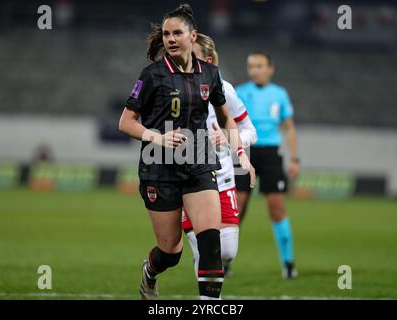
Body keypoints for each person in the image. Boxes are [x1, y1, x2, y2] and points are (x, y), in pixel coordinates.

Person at [118, 4, 255, 300]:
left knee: (211, 243)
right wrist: (157, 136)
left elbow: (226, 117)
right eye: (166, 33)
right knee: (171, 251)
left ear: (192, 36)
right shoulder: (152, 75)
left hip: (199, 165)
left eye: (177, 32)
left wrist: (240, 153)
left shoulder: (210, 73)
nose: (170, 38)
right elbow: (126, 122)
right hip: (159, 168)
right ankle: (150, 272)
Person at [181, 33, 257, 278]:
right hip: (188, 177)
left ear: (210, 61)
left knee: (227, 252)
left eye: (193, 58)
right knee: (208, 250)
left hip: (223, 176)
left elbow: (250, 132)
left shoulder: (225, 90)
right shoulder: (174, 88)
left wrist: (228, 138)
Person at [235, 51, 300, 279]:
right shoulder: (240, 92)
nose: (254, 70)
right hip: (245, 152)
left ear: (270, 68)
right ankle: (224, 261)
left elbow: (289, 126)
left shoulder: (280, 94)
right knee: (237, 209)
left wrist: (294, 158)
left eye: (259, 66)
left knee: (277, 208)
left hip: (272, 153)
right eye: (251, 66)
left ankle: (288, 263)